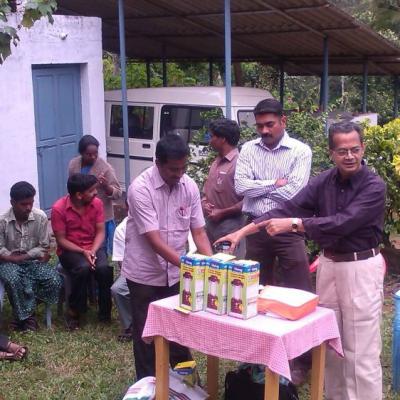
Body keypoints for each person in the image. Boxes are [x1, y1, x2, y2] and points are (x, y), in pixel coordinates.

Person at [216, 121, 385, 400]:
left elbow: (342, 223)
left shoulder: (373, 187)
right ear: (331, 153)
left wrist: (294, 225)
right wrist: (242, 231)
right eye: (342, 151)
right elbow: (286, 206)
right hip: (330, 265)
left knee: (361, 351)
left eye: (355, 149)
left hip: (360, 267)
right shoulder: (325, 181)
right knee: (332, 345)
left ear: (362, 148)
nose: (350, 156)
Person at [122, 134, 213, 380]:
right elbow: (154, 241)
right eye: (174, 169)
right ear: (158, 162)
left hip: (176, 272)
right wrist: (192, 266)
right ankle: (149, 385)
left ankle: (188, 383)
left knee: (179, 329)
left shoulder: (189, 186)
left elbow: (199, 232)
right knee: (147, 332)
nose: (179, 173)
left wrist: (214, 265)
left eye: (183, 168)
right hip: (144, 273)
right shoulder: (140, 189)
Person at [234, 98, 312, 290]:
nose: (264, 131)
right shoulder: (248, 149)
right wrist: (274, 183)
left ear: (283, 121)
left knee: (299, 288)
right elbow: (241, 187)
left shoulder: (300, 151)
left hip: (289, 228)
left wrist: (258, 190)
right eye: (259, 126)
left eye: (270, 124)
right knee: (253, 289)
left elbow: (295, 194)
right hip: (256, 227)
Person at [51, 173, 113, 330]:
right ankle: (74, 312)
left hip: (93, 246)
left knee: (104, 269)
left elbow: (100, 232)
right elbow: (61, 240)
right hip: (69, 249)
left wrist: (92, 251)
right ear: (79, 195)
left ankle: (105, 313)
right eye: (92, 191)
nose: (96, 193)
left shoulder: (97, 204)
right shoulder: (59, 209)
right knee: (82, 268)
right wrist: (83, 251)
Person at [0, 182, 61, 331]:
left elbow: (44, 246)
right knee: (13, 278)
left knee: (54, 280)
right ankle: (27, 318)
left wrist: (27, 256)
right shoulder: (2, 221)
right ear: (12, 202)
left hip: (33, 262)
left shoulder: (40, 217)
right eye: (23, 204)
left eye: (31, 203)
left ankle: (25, 311)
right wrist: (11, 258)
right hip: (8, 263)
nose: (28, 207)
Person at [68, 134, 122, 255]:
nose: (93, 157)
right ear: (81, 153)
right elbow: (71, 187)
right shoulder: (73, 165)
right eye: (89, 154)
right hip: (79, 215)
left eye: (96, 153)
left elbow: (118, 193)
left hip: (100, 217)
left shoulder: (105, 168)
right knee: (80, 248)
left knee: (99, 251)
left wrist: (106, 187)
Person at [202, 118, 245, 258]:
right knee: (212, 270)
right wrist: (203, 203)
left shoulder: (240, 164)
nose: (210, 140)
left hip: (230, 227)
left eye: (212, 136)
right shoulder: (216, 161)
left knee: (228, 270)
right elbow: (207, 191)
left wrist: (223, 212)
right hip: (210, 225)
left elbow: (248, 200)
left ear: (223, 139)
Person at [110, 210, 132, 342]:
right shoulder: (122, 229)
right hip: (134, 271)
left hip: (160, 269)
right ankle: (130, 325)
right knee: (118, 289)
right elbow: (122, 262)